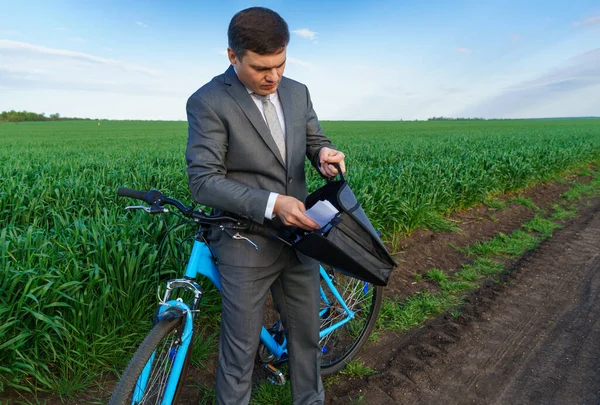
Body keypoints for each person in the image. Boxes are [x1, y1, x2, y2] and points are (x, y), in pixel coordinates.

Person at [185, 7, 345, 405]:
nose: (273, 76)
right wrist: (273, 203)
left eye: (280, 64)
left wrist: (322, 152)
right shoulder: (207, 102)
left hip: (299, 235)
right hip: (245, 241)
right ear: (232, 56)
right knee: (239, 354)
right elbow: (203, 182)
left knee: (306, 337)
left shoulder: (297, 91)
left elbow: (312, 139)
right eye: (260, 68)